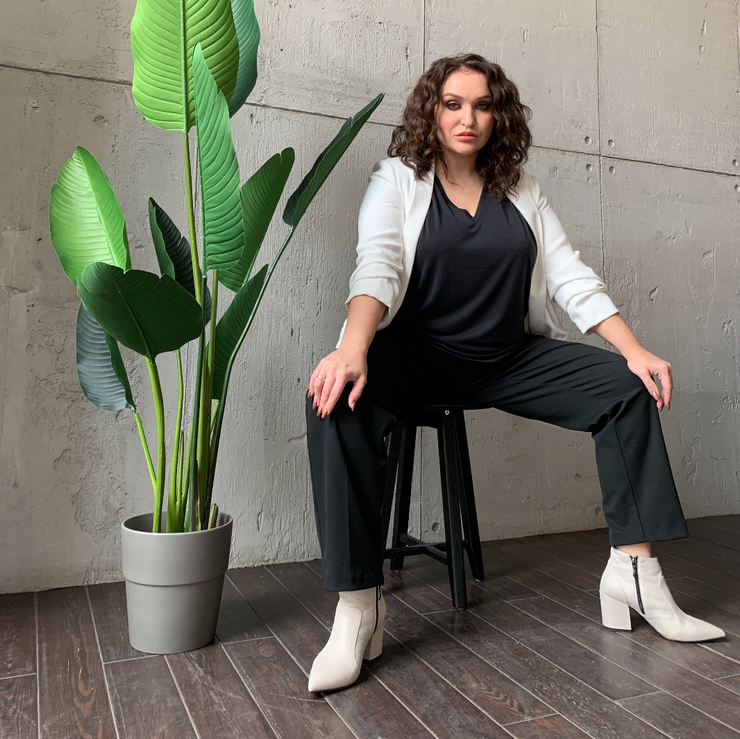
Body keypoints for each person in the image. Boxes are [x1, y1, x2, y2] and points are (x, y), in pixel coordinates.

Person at [303, 53, 724, 693]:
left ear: (499, 116)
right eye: (453, 104)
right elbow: (377, 266)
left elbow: (570, 276)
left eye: (482, 105)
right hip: (418, 357)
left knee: (624, 388)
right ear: (431, 111)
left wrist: (633, 349)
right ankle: (358, 608)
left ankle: (634, 574)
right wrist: (354, 347)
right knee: (335, 401)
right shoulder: (398, 179)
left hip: (506, 358)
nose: (467, 118)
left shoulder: (521, 189)